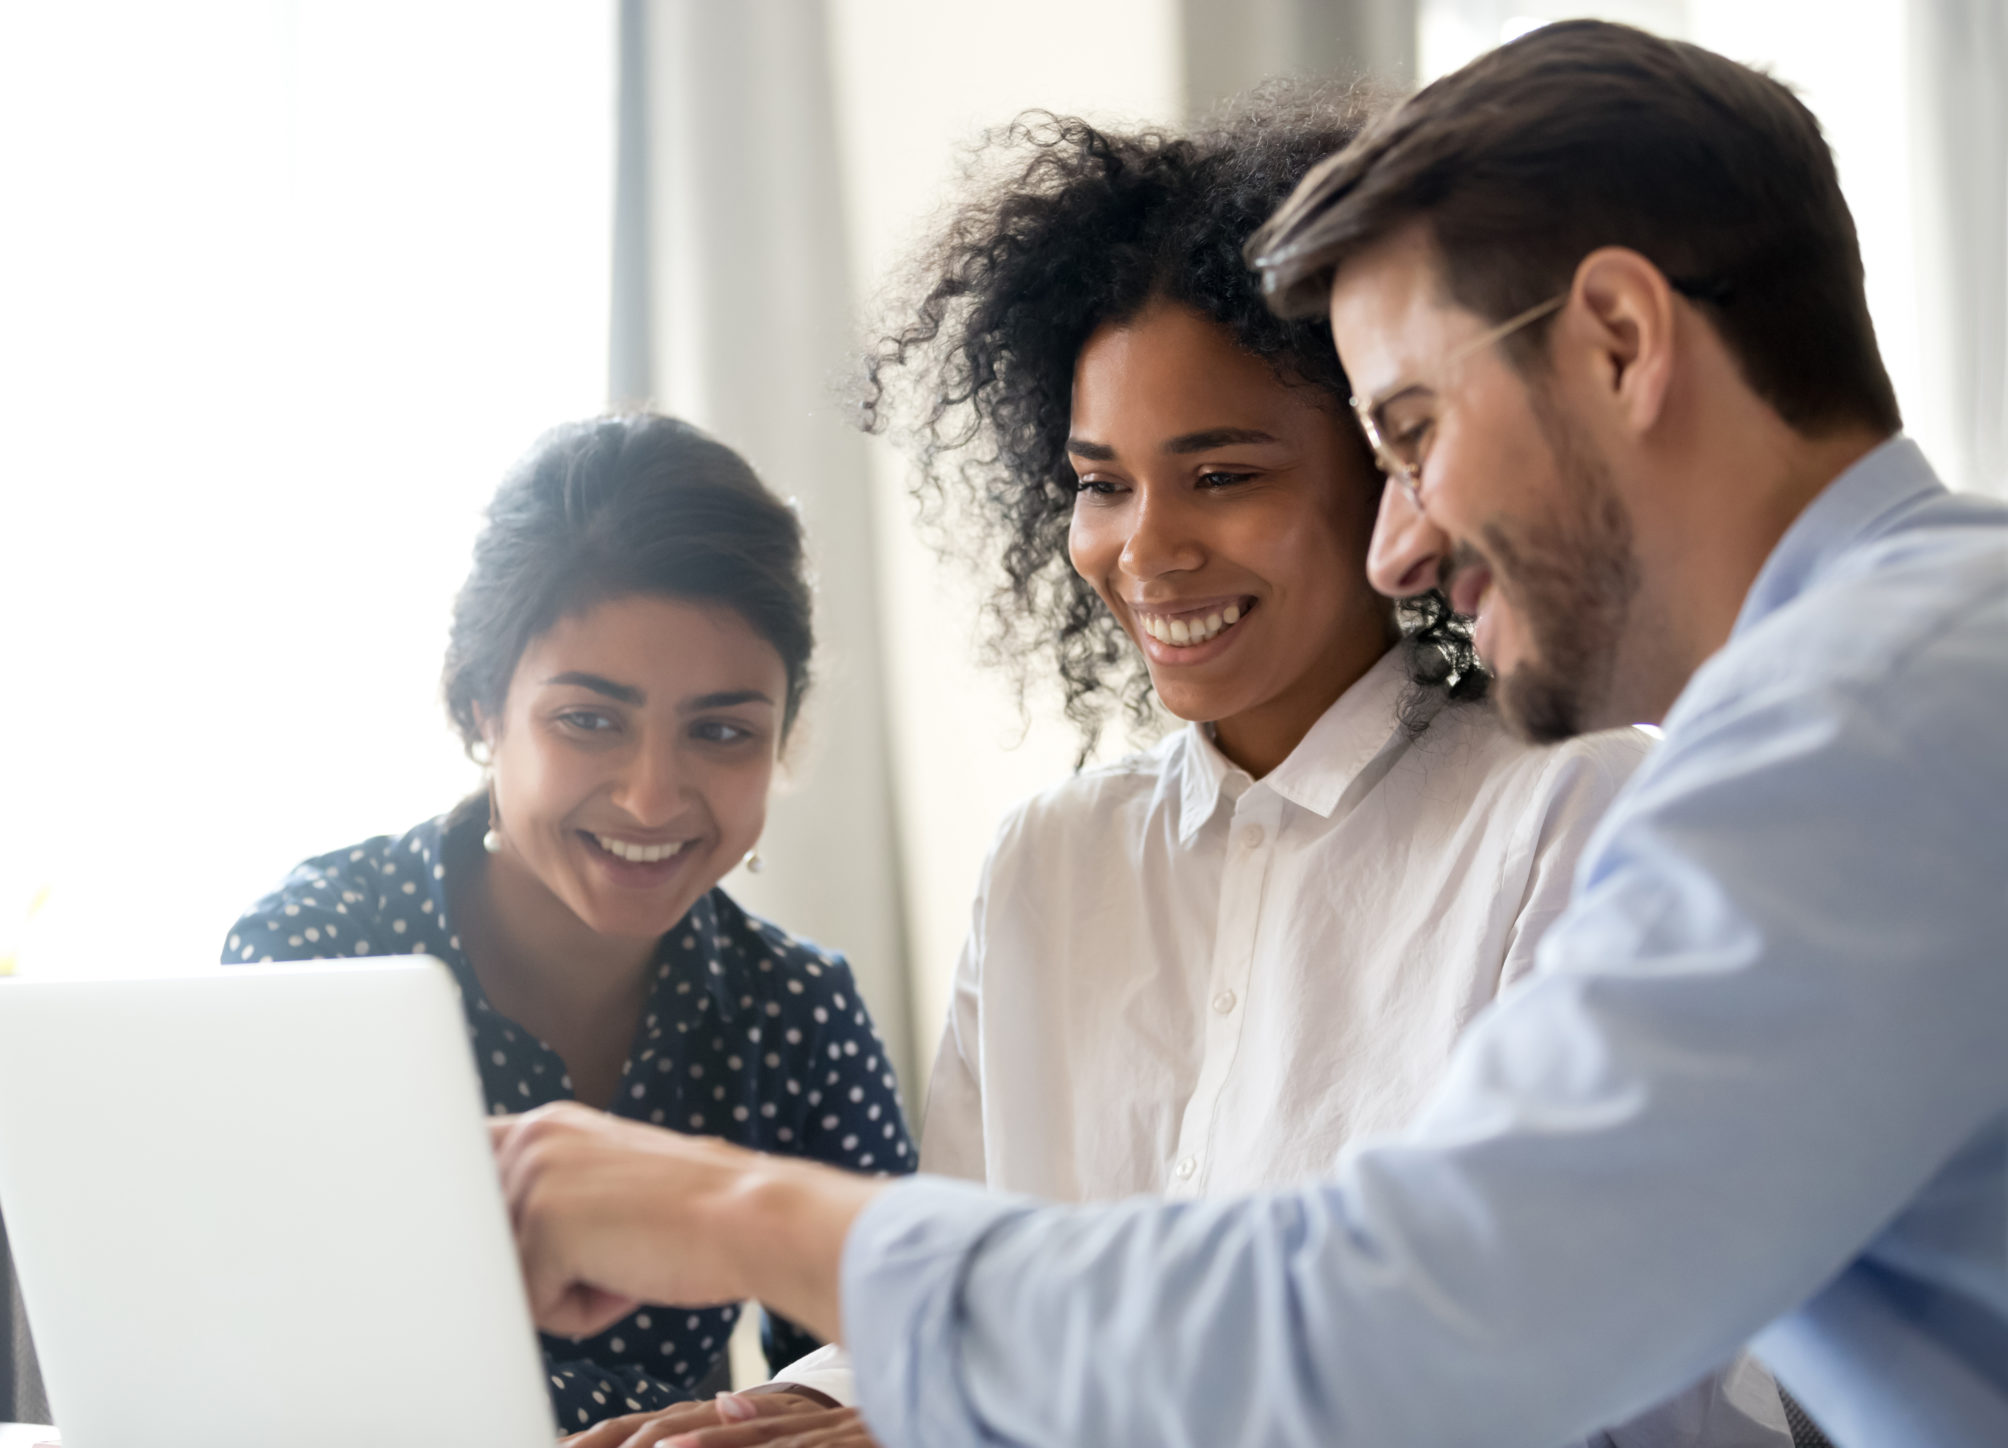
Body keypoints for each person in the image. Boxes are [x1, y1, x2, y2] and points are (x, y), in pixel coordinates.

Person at [491, 21, 2008, 1448]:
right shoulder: (1916, 665)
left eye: (1410, 430)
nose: (1403, 544)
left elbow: (1409, 1320)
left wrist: (727, 1217)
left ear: (1618, 338)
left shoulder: (1853, 734)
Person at [221, 412, 916, 1433]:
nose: (649, 797)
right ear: (479, 707)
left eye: (721, 731)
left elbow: (888, 1336)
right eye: (589, 719)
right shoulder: (317, 952)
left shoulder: (795, 1005)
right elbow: (251, 1352)